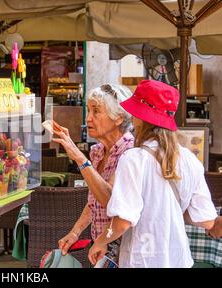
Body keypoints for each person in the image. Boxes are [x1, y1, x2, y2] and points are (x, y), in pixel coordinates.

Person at [88, 80, 218, 268]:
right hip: (179, 259)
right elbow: (206, 221)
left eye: (134, 113)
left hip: (141, 260)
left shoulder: (133, 159)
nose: (131, 118)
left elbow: (123, 222)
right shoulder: (189, 159)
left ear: (142, 117)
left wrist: (101, 240)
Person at [52, 84, 134, 258]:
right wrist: (75, 232)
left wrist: (80, 159)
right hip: (103, 248)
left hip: (126, 250)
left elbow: (109, 200)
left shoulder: (130, 152)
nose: (88, 118)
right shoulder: (98, 151)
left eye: (96, 111)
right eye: (88, 110)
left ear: (118, 117)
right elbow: (94, 200)